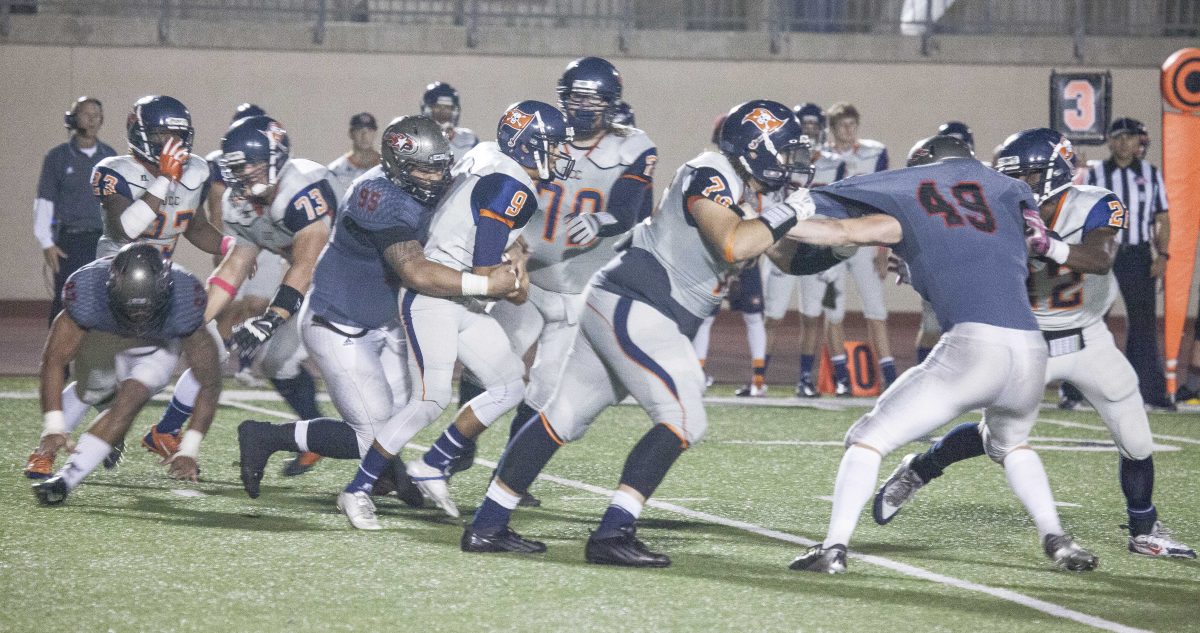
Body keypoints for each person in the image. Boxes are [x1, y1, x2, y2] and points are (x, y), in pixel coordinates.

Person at [460, 100, 814, 566]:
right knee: (685, 418)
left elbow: (781, 254)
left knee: (561, 415)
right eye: (784, 150)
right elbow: (735, 242)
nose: (791, 161)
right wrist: (793, 209)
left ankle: (487, 524)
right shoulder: (710, 171)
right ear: (757, 148)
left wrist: (847, 239)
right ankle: (613, 532)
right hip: (638, 305)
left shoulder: (735, 190)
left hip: (623, 302)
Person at [871, 128, 1196, 560]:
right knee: (997, 440)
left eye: (1029, 171)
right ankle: (921, 469)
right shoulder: (996, 206)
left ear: (1058, 167)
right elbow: (964, 264)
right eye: (1012, 173)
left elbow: (1100, 259)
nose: (1020, 180)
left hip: (1087, 339)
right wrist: (919, 270)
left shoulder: (1094, 202)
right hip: (1024, 337)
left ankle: (1144, 528)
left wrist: (1050, 246)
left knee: (1136, 438)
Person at [785, 135, 1098, 574]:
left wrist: (769, 221)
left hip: (974, 346)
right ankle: (1058, 539)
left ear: (927, 162)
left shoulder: (915, 186)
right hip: (1030, 349)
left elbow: (840, 228)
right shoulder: (1011, 192)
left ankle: (833, 548)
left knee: (867, 438)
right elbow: (980, 247)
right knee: (1011, 444)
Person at [235, 115, 520, 501]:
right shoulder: (377, 196)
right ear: (398, 167)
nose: (436, 178)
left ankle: (389, 477)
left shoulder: (436, 182)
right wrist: (486, 284)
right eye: (424, 169)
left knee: (403, 413)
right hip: (341, 323)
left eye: (440, 167)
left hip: (390, 320)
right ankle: (266, 436)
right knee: (370, 433)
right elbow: (416, 271)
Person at [335, 100, 570, 529]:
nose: (560, 156)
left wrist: (510, 255)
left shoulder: (487, 153)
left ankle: (432, 464)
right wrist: (515, 281)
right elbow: (485, 273)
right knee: (430, 400)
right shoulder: (514, 185)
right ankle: (357, 490)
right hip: (437, 295)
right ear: (531, 146)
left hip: (455, 294)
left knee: (508, 386)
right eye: (554, 147)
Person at [454, 57, 658, 500]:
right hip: (526, 276)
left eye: (593, 96)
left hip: (579, 288)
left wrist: (604, 219)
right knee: (484, 365)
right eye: (576, 95)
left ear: (611, 102)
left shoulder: (632, 147)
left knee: (544, 389)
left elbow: (630, 209)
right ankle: (456, 449)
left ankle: (506, 477)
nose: (583, 105)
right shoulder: (543, 134)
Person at [24, 95, 226, 479]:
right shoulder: (114, 170)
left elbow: (192, 223)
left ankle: (158, 433)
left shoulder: (196, 171)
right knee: (94, 383)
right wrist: (165, 178)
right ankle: (49, 445)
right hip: (113, 284)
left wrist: (229, 246)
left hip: (164, 287)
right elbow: (127, 228)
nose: (172, 143)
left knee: (198, 358)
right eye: (162, 133)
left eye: (178, 135)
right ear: (140, 133)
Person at [146, 115, 336, 471]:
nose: (242, 181)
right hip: (315, 284)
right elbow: (233, 268)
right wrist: (193, 323)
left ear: (275, 159)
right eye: (236, 173)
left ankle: (387, 467)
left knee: (353, 382)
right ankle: (320, 442)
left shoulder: (301, 188)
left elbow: (306, 263)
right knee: (276, 363)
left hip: (358, 284)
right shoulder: (242, 203)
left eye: (249, 171)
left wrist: (271, 319)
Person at [31, 243, 221, 504]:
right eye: (132, 309)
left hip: (158, 344)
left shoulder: (185, 302)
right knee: (92, 390)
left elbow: (209, 383)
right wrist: (53, 425)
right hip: (108, 334)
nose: (139, 319)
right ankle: (94, 430)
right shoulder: (88, 290)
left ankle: (64, 481)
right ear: (110, 290)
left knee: (129, 401)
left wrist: (190, 449)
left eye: (147, 309)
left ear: (166, 292)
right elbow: (54, 359)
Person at [1086, 117, 1174, 411]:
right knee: (1090, 320)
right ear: (1110, 141)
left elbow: (1162, 218)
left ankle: (1148, 392)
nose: (1124, 143)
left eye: (1130, 137)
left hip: (1137, 254)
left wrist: (1162, 255)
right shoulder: (1096, 174)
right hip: (1102, 253)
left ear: (1139, 142)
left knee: (1143, 325)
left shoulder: (1151, 174)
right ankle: (1080, 391)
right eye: (1118, 137)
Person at [762, 102, 849, 397]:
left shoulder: (833, 162)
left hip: (814, 242)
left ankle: (804, 379)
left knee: (812, 316)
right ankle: (758, 378)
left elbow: (840, 206)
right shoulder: (779, 159)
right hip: (783, 242)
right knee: (772, 316)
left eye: (815, 125)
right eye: (805, 125)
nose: (810, 131)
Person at [820, 102, 897, 388]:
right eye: (843, 125)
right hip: (832, 242)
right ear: (832, 128)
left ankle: (890, 377)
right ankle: (841, 377)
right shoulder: (819, 158)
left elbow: (884, 200)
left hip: (864, 240)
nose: (850, 131)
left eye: (853, 124)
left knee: (876, 309)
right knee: (834, 309)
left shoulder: (873, 153)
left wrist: (882, 249)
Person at [693, 112, 768, 397]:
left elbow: (763, 217)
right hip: (718, 253)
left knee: (752, 315)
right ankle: (698, 375)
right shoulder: (713, 170)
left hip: (741, 250)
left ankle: (758, 380)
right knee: (705, 315)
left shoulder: (750, 175)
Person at [34, 96, 116, 326]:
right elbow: (44, 200)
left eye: (96, 115)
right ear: (72, 118)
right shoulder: (57, 157)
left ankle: (94, 360)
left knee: (102, 300)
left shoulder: (110, 157)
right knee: (66, 300)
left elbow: (117, 202)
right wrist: (46, 242)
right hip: (70, 241)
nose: (91, 120)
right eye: (85, 114)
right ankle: (58, 360)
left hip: (102, 240)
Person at [326, 112, 381, 202]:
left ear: (375, 133)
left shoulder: (387, 167)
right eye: (359, 130)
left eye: (369, 131)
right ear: (351, 133)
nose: (365, 136)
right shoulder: (335, 170)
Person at [421, 81, 479, 162]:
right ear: (428, 109)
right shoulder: (417, 140)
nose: (443, 112)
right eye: (438, 107)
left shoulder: (469, 140)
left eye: (448, 108)